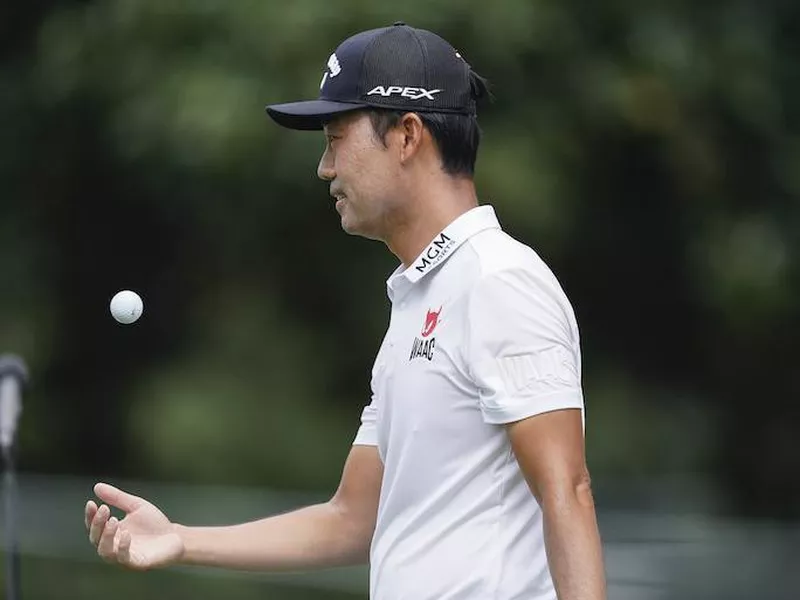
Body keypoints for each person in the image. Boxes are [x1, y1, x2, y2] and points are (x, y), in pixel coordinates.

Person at [85, 21, 607, 600]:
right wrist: (181, 539)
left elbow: (568, 490)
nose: (325, 168)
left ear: (407, 135)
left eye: (336, 137)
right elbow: (352, 519)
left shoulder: (498, 280)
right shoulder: (419, 298)